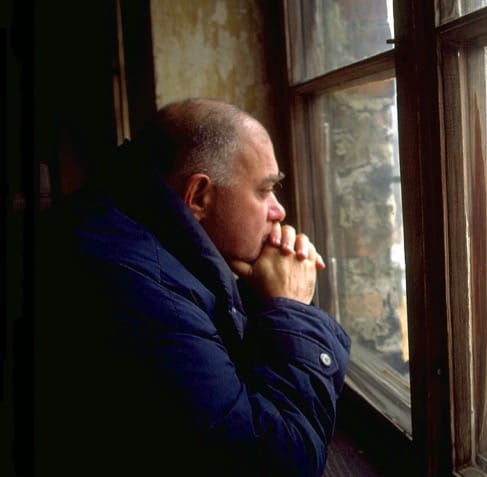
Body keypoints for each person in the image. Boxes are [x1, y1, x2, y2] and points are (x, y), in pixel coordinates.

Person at [34, 98, 351, 476]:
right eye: (264, 191)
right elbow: (280, 462)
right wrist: (290, 310)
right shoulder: (137, 288)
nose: (278, 211)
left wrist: (263, 300)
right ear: (198, 196)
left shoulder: (131, 227)